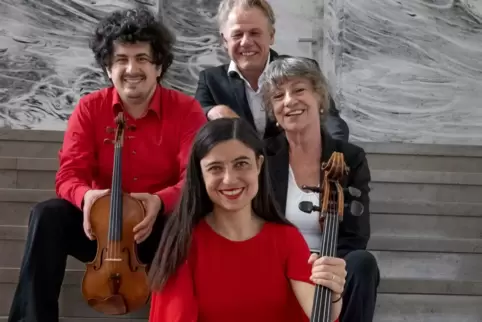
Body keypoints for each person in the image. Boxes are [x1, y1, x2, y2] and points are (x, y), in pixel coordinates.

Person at [7, 8, 207, 322]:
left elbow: (194, 179)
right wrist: (86, 198)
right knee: (47, 215)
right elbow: (69, 174)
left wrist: (160, 200)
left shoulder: (186, 110)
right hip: (100, 232)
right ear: (107, 66)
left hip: (156, 230)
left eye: (142, 58)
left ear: (159, 66)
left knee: (191, 223)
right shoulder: (89, 108)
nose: (132, 69)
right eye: (121, 59)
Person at [147, 118, 346, 322]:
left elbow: (319, 314)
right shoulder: (183, 244)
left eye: (241, 164)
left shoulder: (286, 238)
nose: (230, 179)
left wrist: (333, 291)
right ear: (200, 173)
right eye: (215, 168)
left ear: (258, 165)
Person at [259, 57, 380, 322]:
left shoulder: (350, 157)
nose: (289, 100)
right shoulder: (261, 156)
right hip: (276, 262)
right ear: (274, 111)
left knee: (362, 263)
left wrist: (322, 261)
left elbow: (355, 235)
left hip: (329, 263)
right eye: (279, 95)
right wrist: (295, 259)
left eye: (299, 90)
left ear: (319, 98)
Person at [194, 0, 349, 140]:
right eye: (237, 34)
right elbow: (194, 115)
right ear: (224, 41)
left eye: (255, 33)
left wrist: (336, 152)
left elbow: (330, 119)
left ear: (271, 36)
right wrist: (214, 111)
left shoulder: (303, 70)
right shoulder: (210, 80)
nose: (246, 42)